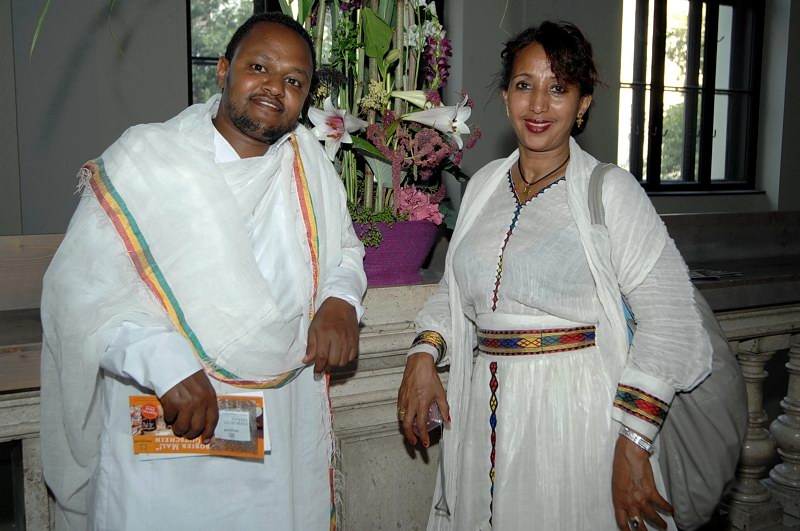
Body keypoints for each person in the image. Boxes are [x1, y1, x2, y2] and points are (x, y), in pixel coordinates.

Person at [40, 12, 366, 530]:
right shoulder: (147, 160)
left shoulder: (310, 167)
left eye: (294, 80)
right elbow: (79, 292)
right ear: (223, 69)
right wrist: (162, 360)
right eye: (258, 67)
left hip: (276, 436)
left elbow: (344, 250)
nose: (274, 88)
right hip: (166, 428)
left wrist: (340, 300)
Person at [397, 20, 713, 531]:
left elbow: (672, 322)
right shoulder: (483, 186)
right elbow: (457, 291)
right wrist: (424, 353)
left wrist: (633, 442)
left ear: (583, 103)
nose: (539, 105)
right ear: (506, 97)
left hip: (576, 420)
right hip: (481, 418)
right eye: (525, 85)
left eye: (559, 88)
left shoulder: (610, 192)